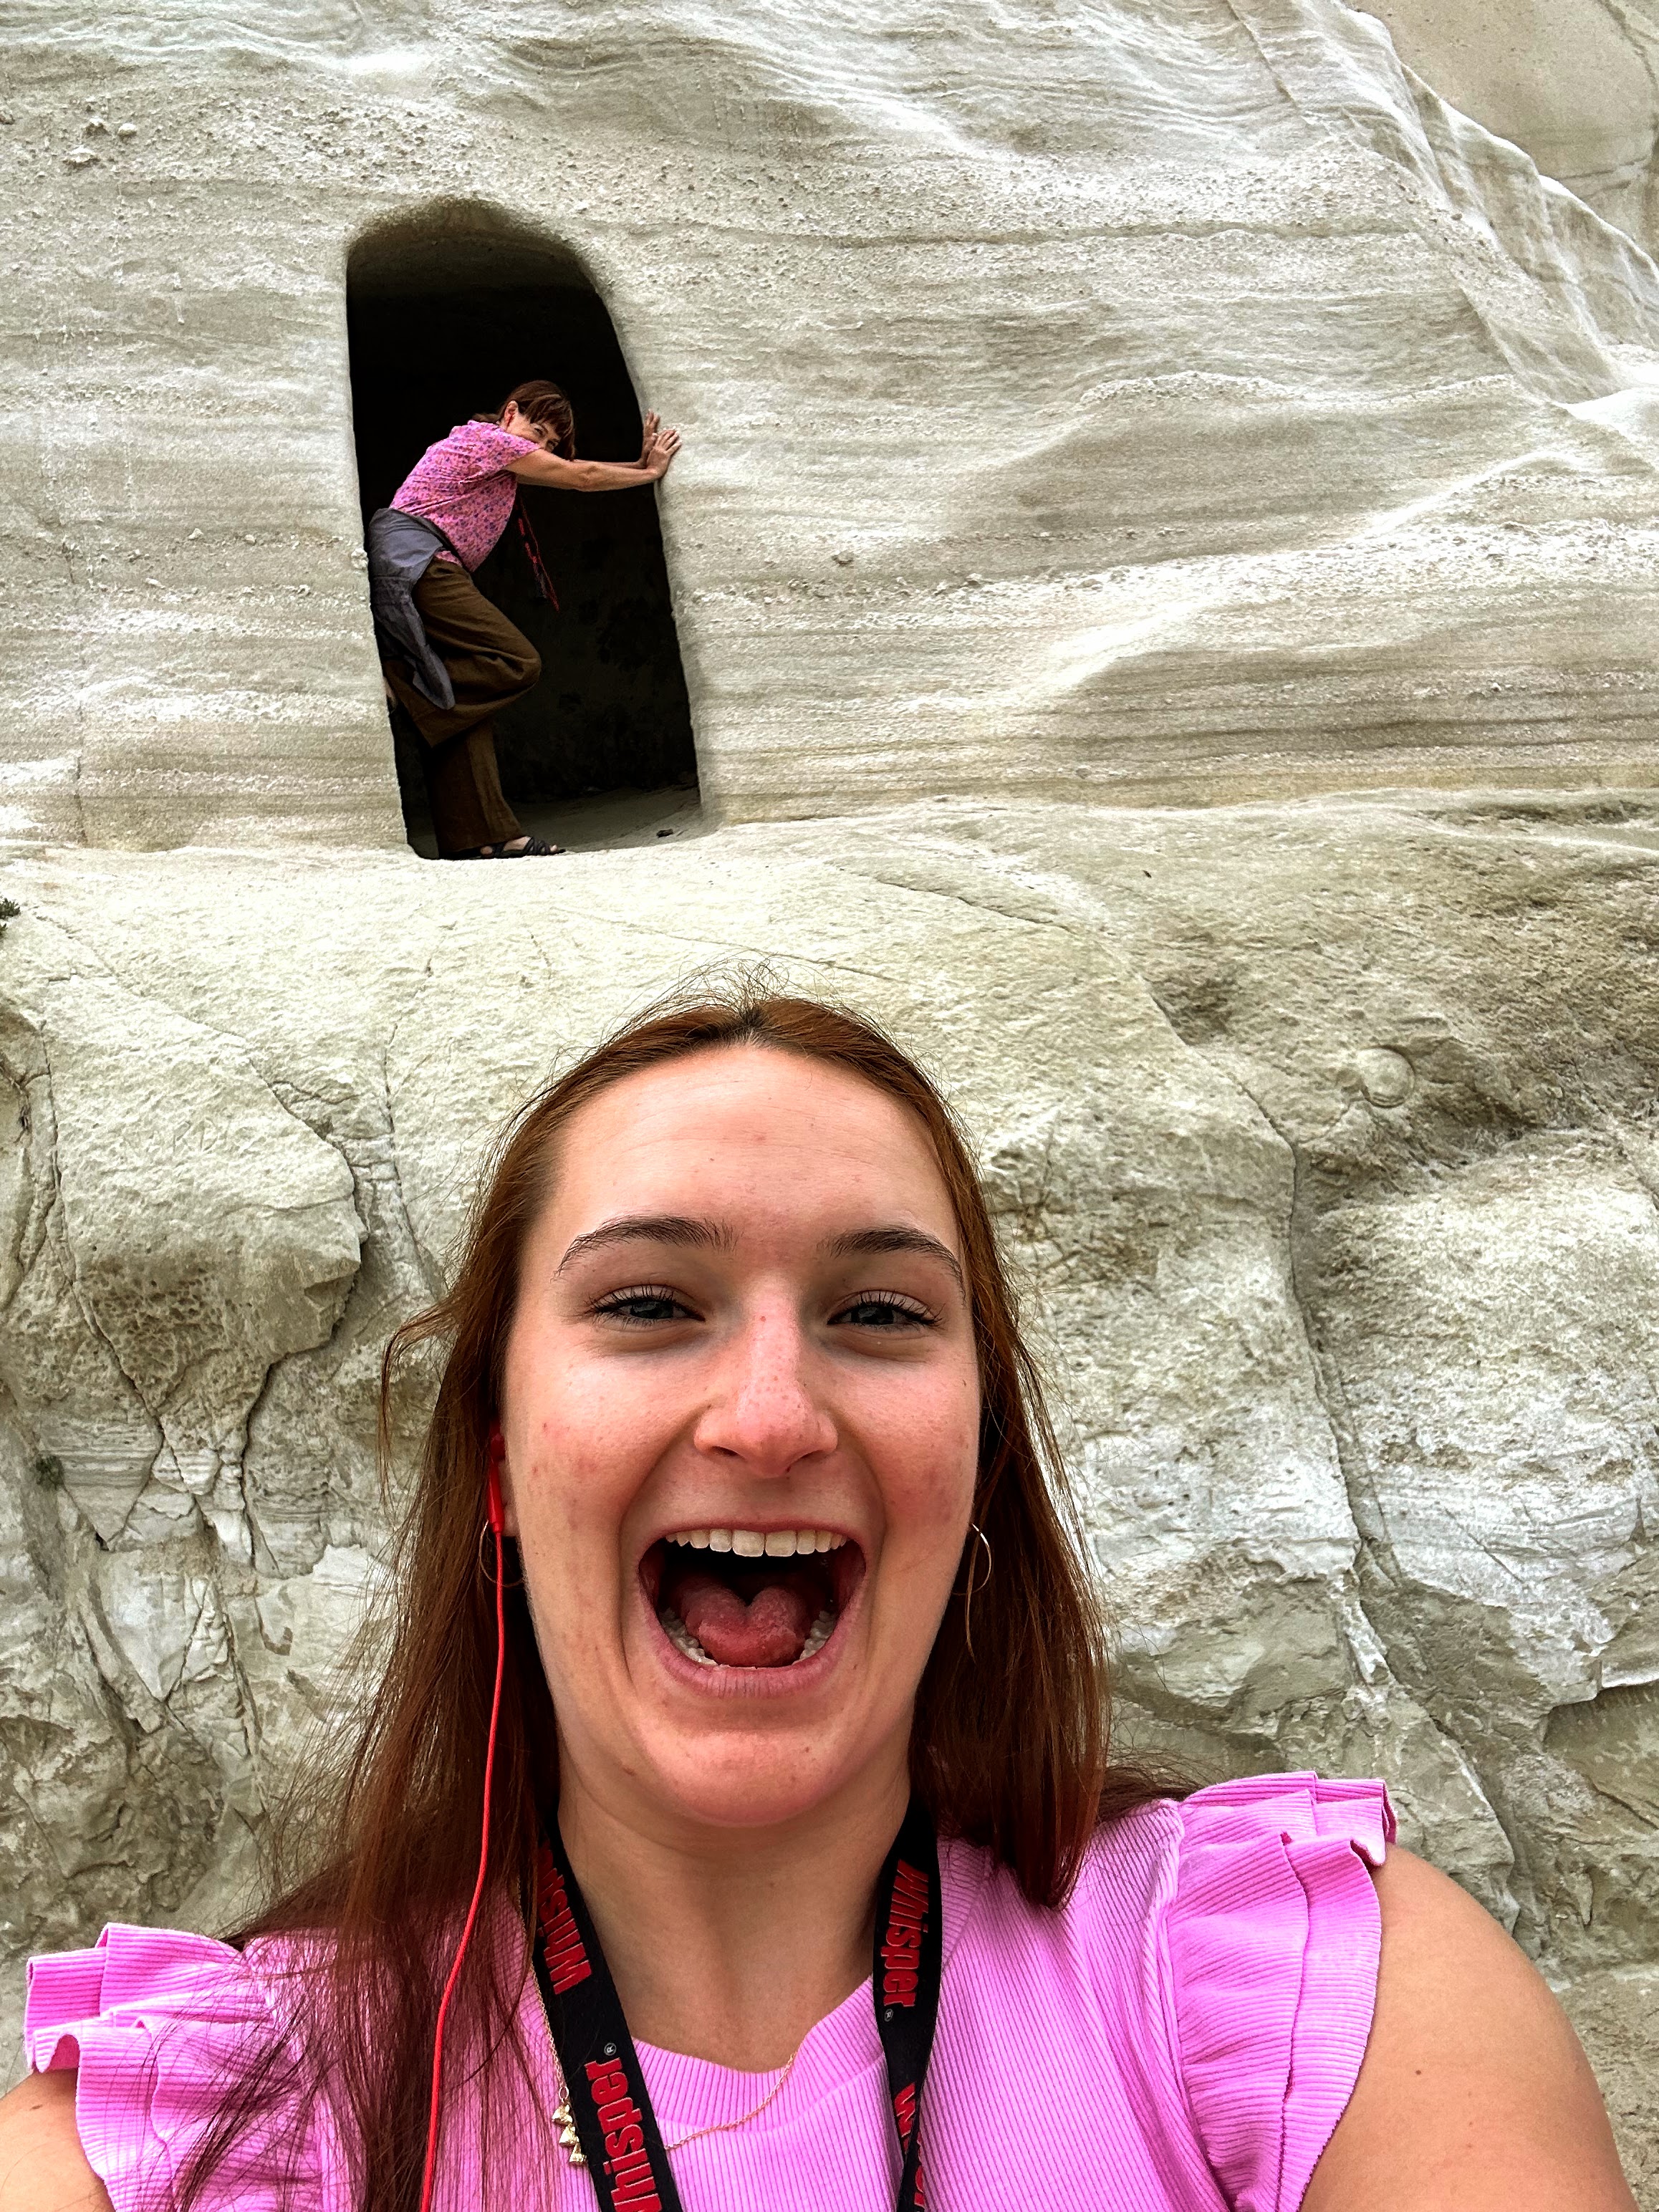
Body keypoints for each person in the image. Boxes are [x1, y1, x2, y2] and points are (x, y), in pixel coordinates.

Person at [0, 985, 1638, 2212]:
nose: (771, 1416)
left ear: (976, 1457)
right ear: (497, 1456)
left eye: (879, 1312)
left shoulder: (1301, 1995)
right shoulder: (205, 2131)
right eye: (651, 1303)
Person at [368, 380, 682, 861]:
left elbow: (573, 470)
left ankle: (483, 837)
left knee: (464, 708)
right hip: (421, 563)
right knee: (513, 661)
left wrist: (640, 466)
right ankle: (401, 686)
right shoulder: (489, 440)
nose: (542, 447)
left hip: (423, 562)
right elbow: (580, 478)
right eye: (538, 432)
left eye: (550, 444)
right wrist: (650, 474)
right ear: (511, 413)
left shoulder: (500, 454)